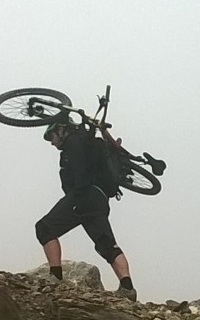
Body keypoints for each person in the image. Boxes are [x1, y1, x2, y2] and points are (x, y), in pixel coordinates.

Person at [35, 117, 137, 300]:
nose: (51, 142)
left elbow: (80, 172)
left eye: (51, 136)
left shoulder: (74, 142)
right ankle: (127, 288)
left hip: (83, 195)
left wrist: (76, 196)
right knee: (107, 244)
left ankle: (55, 277)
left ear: (61, 130)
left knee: (44, 228)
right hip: (100, 199)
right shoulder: (90, 141)